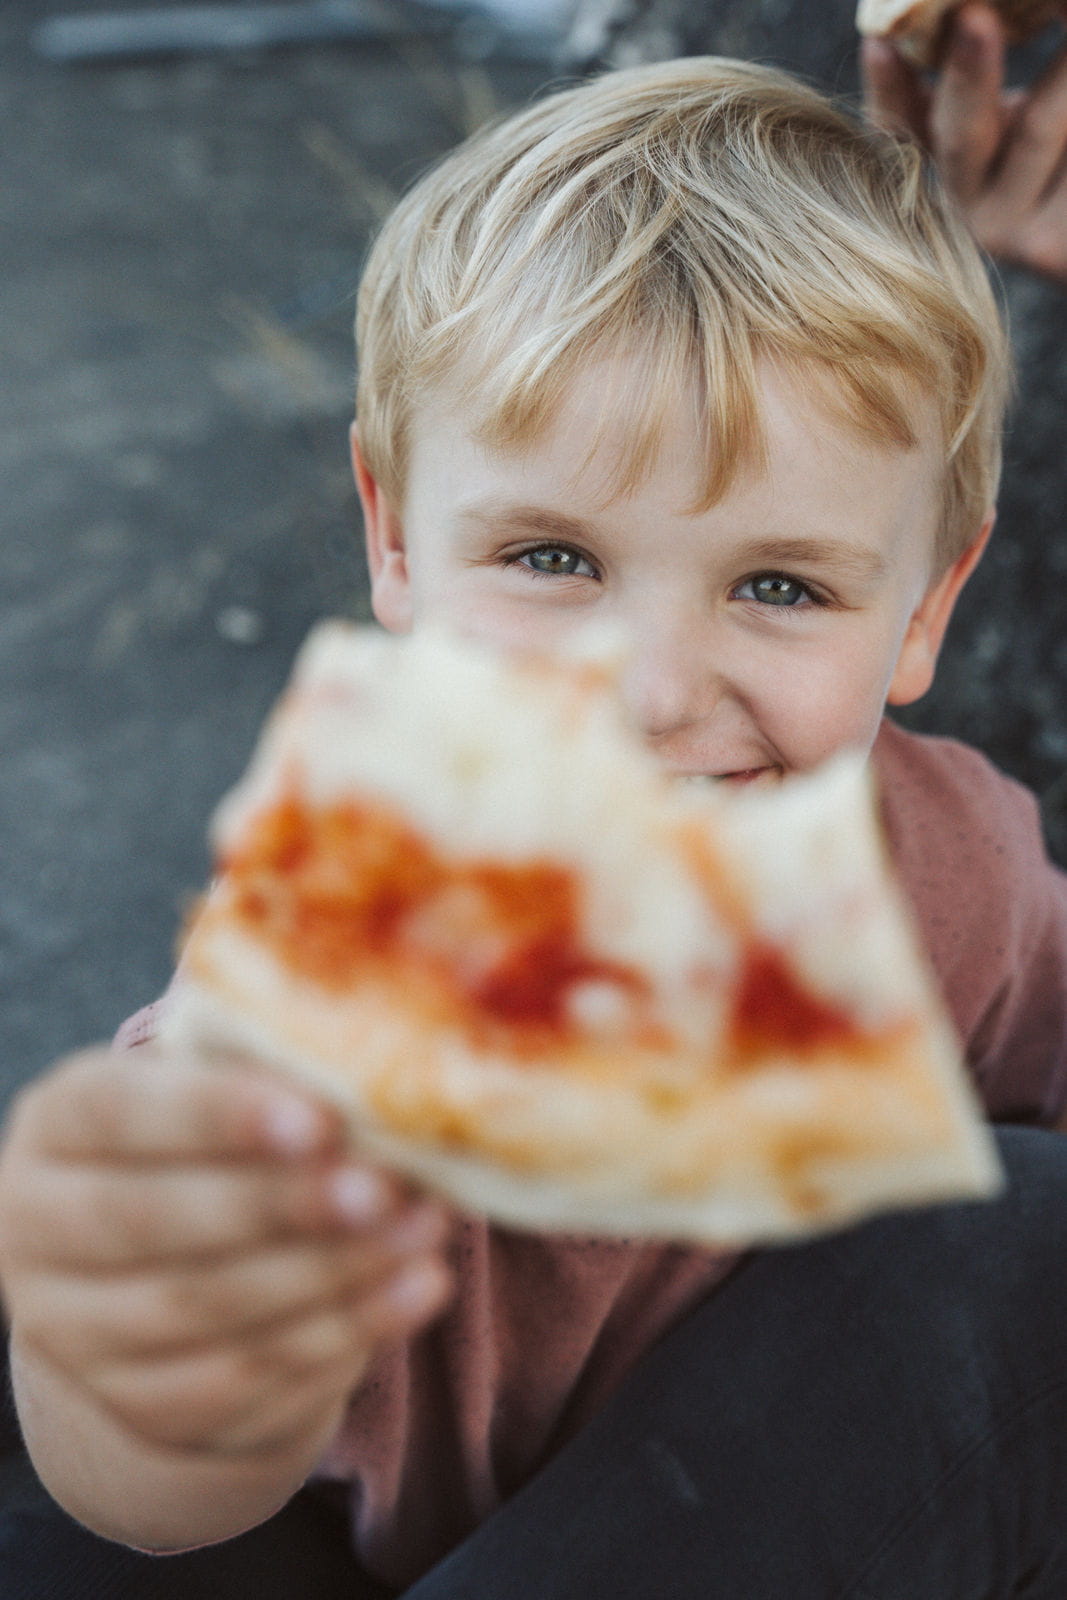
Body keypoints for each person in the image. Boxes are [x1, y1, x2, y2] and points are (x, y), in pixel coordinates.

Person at [3, 9, 1067, 1595]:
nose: (648, 691)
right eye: (553, 558)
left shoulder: (957, 862)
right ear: (397, 540)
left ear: (923, 612)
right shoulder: (310, 1012)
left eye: (779, 584)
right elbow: (145, 1499)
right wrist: (147, 1348)